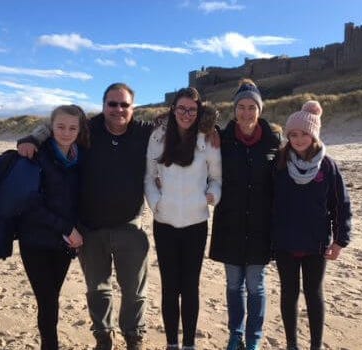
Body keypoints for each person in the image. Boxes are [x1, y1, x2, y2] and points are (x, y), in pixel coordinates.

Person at [17, 83, 218, 350]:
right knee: (97, 291)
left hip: (129, 226)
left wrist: (211, 125)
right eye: (112, 104)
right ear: (103, 105)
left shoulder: (146, 132)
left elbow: (184, 119)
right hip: (90, 228)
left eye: (124, 105)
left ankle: (133, 336)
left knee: (134, 293)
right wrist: (33, 137)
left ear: (133, 108)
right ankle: (103, 337)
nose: (118, 109)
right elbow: (59, 123)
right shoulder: (88, 129)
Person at [144, 88, 222, 350]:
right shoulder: (158, 137)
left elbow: (217, 178)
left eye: (192, 110)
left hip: (196, 223)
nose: (186, 114)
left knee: (190, 287)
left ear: (198, 111)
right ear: (173, 109)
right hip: (164, 223)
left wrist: (212, 194)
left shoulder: (207, 138)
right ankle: (171, 344)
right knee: (169, 287)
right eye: (181, 109)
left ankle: (189, 344)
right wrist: (156, 204)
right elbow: (148, 176)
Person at [272, 101, 352, 350]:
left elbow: (341, 204)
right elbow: (267, 201)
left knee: (314, 294)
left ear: (314, 134)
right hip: (284, 242)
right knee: (289, 294)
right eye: (293, 134)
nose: (298, 139)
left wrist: (340, 240)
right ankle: (291, 344)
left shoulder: (327, 166)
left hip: (316, 243)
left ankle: (316, 345)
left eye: (304, 133)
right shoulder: (280, 163)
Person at [209, 79, 282, 350]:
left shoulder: (274, 140)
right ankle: (234, 334)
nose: (246, 113)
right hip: (230, 222)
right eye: (241, 107)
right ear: (234, 109)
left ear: (260, 110)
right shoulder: (222, 138)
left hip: (261, 226)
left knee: (255, 285)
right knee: (233, 285)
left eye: (252, 107)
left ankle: (253, 338)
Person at [17, 104, 89, 350]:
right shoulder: (36, 154)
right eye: (60, 126)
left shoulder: (80, 156)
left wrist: (74, 228)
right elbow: (29, 203)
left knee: (51, 300)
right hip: (35, 241)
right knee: (47, 302)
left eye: (72, 128)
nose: (66, 132)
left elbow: (80, 199)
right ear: (50, 127)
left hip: (62, 245)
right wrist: (68, 229)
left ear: (79, 130)